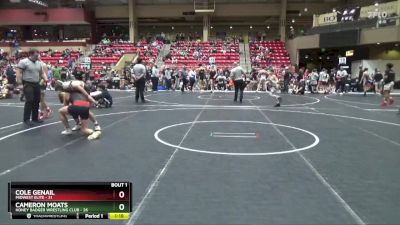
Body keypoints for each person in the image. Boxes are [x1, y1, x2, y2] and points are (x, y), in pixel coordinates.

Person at [16, 48, 48, 127]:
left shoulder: (39, 63)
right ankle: (26, 119)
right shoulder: (23, 62)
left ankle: (35, 118)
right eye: (36, 54)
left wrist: (45, 78)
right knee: (29, 101)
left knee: (37, 101)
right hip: (28, 83)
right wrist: (19, 84)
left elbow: (42, 73)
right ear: (31, 54)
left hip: (36, 83)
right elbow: (19, 73)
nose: (38, 55)